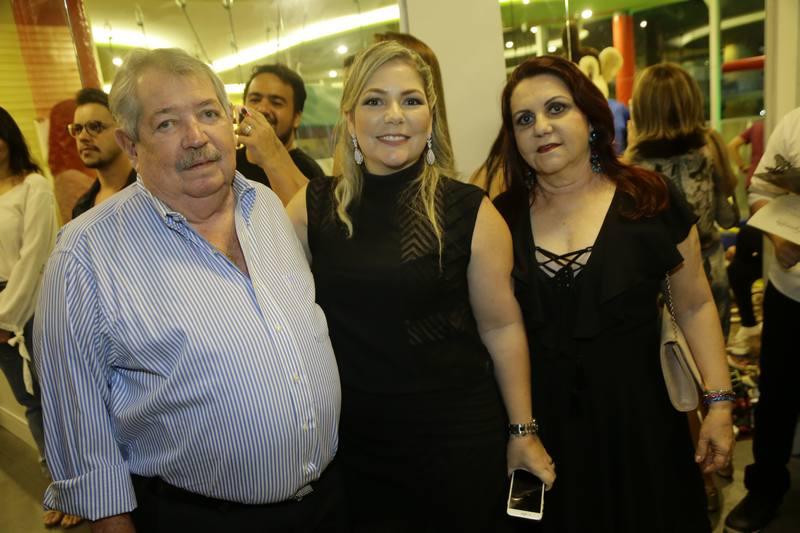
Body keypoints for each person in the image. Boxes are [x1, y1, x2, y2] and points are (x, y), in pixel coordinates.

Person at [34, 48, 343, 533]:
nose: (196, 137)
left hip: (328, 504)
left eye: (208, 114)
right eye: (166, 123)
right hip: (197, 518)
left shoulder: (266, 206)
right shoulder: (85, 254)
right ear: (130, 144)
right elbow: (79, 424)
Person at [286, 41, 555, 532]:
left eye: (410, 100)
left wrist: (523, 431)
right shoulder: (312, 206)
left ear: (430, 118)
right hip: (353, 446)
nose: (394, 115)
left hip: (453, 443)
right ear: (350, 119)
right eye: (374, 100)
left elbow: (502, 328)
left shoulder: (470, 211)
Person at [487, 55, 734, 532]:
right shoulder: (501, 218)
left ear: (591, 117)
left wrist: (720, 404)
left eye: (556, 108)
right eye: (524, 119)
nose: (541, 127)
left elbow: (695, 304)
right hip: (543, 433)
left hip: (643, 427)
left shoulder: (649, 199)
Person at [724, 106, 800, 533]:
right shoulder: (794, 124)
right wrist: (777, 236)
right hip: (790, 292)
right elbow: (760, 189)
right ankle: (766, 489)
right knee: (777, 394)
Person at [626, 63, 738, 342]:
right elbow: (728, 219)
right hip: (709, 272)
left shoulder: (632, 167)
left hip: (655, 285)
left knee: (665, 362)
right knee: (712, 354)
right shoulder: (710, 150)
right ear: (691, 103)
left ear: (641, 108)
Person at [0, 106, 66, 528]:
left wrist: (5, 318)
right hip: (3, 313)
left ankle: (81, 487)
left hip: (29, 306)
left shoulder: (33, 186)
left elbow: (34, 257)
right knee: (31, 405)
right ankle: (58, 487)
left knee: (58, 401)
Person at [237, 64, 324, 203]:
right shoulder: (229, 163)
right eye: (254, 100)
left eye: (276, 103)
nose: (262, 109)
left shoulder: (308, 172)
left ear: (296, 118)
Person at [725, 121, 766, 355]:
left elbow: (733, 145)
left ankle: (750, 327)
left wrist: (744, 166)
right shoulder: (775, 126)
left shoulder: (758, 127)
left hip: (757, 188)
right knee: (747, 244)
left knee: (746, 244)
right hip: (767, 196)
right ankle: (750, 328)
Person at [70, 87, 136, 219]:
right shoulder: (83, 209)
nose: (82, 137)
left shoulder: (151, 190)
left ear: (123, 131)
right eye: (77, 129)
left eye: (94, 127)